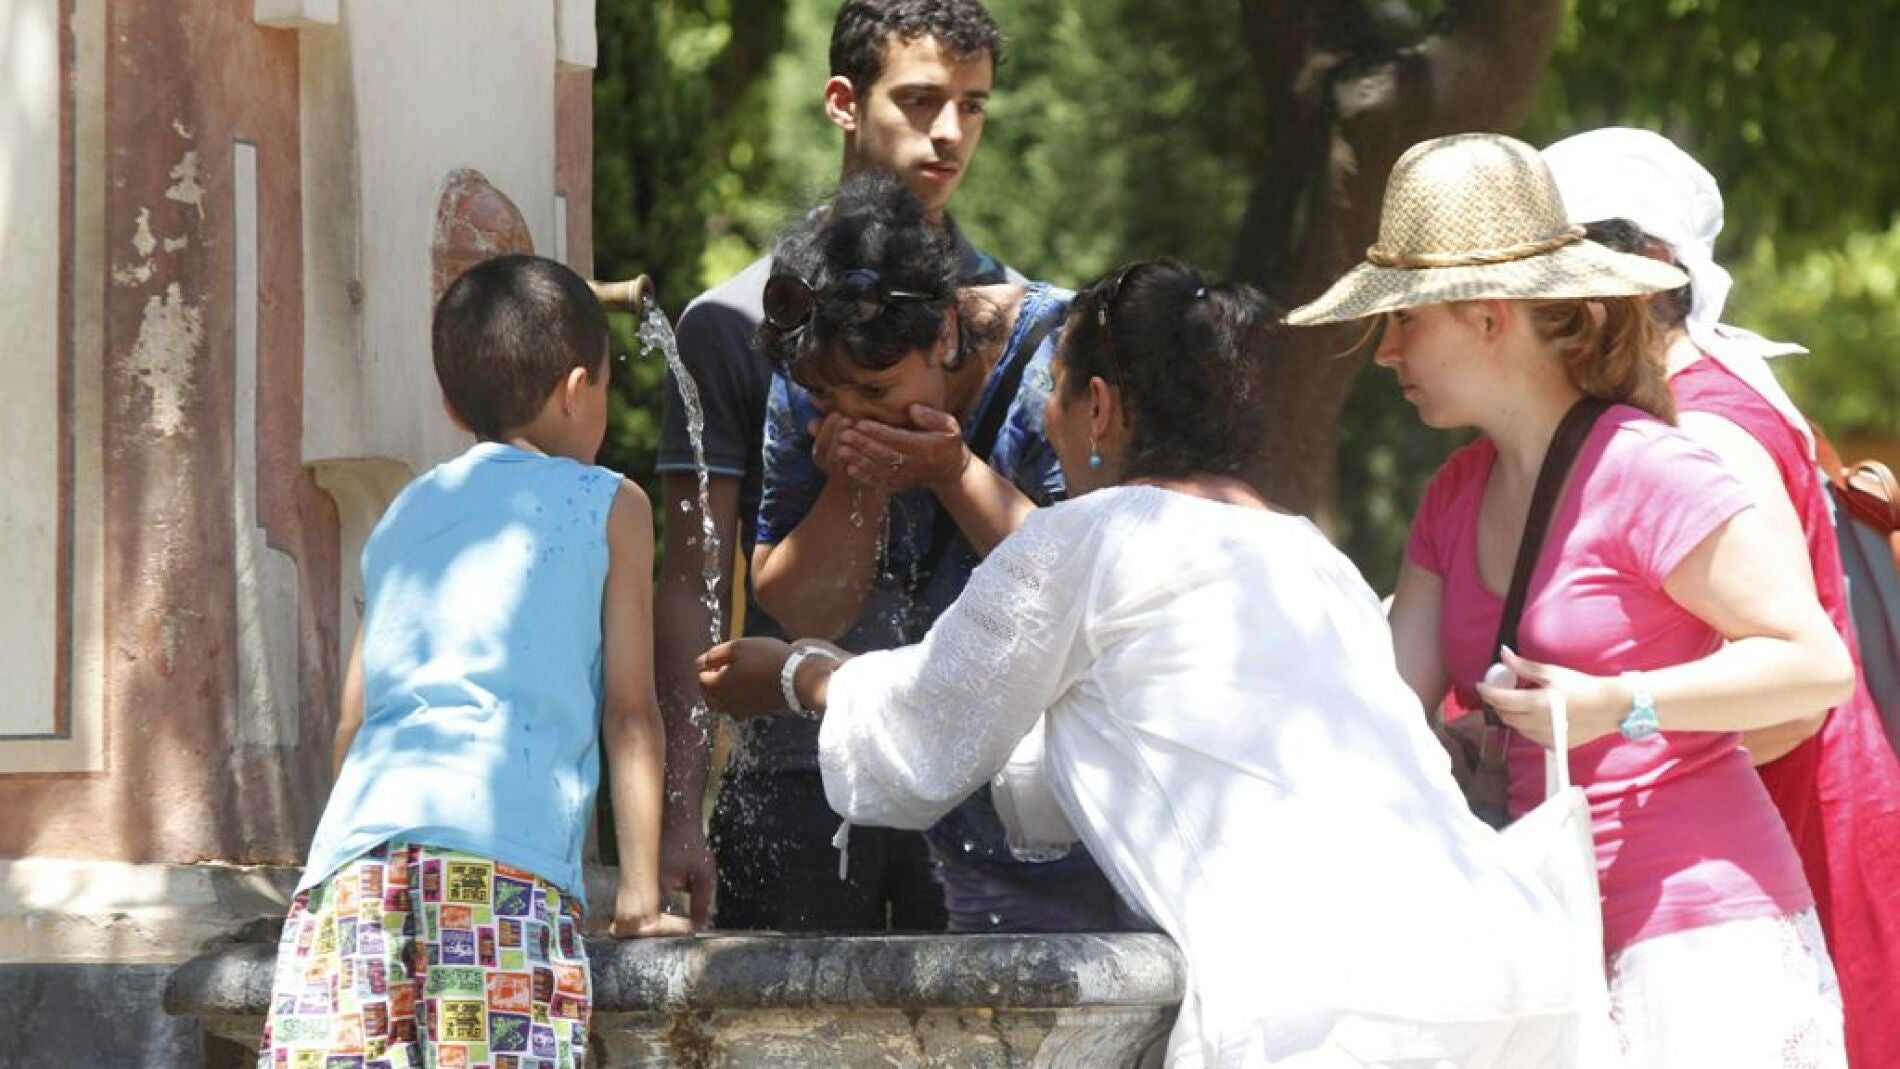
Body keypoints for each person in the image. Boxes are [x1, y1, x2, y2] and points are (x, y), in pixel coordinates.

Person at [700, 257, 1599, 1068]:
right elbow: (1112, 761)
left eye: (1055, 391)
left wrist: (798, 674)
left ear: (1102, 407)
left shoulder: (1084, 537)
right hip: (1502, 958)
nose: (1046, 421)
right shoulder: (1308, 554)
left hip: (1340, 997)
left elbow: (923, 733)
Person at [1288, 133, 1855, 1067]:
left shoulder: (1649, 464)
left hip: (1701, 949)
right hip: (1548, 949)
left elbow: (1815, 664)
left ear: (1489, 316)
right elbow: (1388, 713)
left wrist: (1618, 704)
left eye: (1407, 319)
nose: (1387, 351)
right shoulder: (1453, 494)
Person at [256, 255, 690, 1068]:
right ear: (576, 389)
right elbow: (632, 711)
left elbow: (353, 723)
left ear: (453, 405)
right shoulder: (609, 504)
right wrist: (638, 895)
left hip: (353, 874)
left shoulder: (407, 511)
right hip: (499, 868)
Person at [653, 0, 1018, 932]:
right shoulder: (731, 323)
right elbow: (696, 575)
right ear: (843, 102)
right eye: (921, 99)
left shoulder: (1015, 321)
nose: (949, 132)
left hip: (973, 772)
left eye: (972, 106)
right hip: (790, 768)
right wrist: (676, 809)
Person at [1542, 125, 1900, 1069]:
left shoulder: (1700, 427)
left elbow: (1781, 713)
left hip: (1781, 846)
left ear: (1649, 270)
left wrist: (1611, 727)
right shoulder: (1692, 399)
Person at [745, 169, 1131, 933]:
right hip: (910, 785)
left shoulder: (1060, 366)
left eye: (878, 395)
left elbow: (1094, 591)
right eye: (832, 402)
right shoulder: (814, 374)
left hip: (1072, 823)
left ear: (947, 331)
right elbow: (796, 604)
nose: (852, 414)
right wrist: (855, 485)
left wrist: (953, 475)